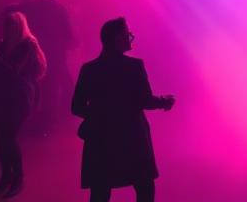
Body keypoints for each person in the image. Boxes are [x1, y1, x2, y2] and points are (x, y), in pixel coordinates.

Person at [73, 17, 175, 202]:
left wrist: (101, 117)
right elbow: (145, 101)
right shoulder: (134, 67)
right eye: (128, 35)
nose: (130, 38)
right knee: (144, 187)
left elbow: (76, 107)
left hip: (100, 139)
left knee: (100, 191)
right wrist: (164, 101)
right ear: (117, 39)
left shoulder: (89, 69)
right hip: (133, 136)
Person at [0, 10, 46, 198]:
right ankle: (6, 177)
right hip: (3, 97)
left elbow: (13, 73)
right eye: (6, 25)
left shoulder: (27, 45)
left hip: (20, 97)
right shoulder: (4, 44)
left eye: (11, 26)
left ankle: (18, 178)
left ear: (18, 26)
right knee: (1, 138)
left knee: (8, 137)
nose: (7, 29)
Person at [22, 0, 76, 131]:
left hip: (36, 50)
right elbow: (68, 31)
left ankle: (34, 118)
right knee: (53, 85)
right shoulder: (59, 7)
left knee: (37, 83)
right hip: (55, 53)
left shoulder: (34, 6)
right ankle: (51, 119)